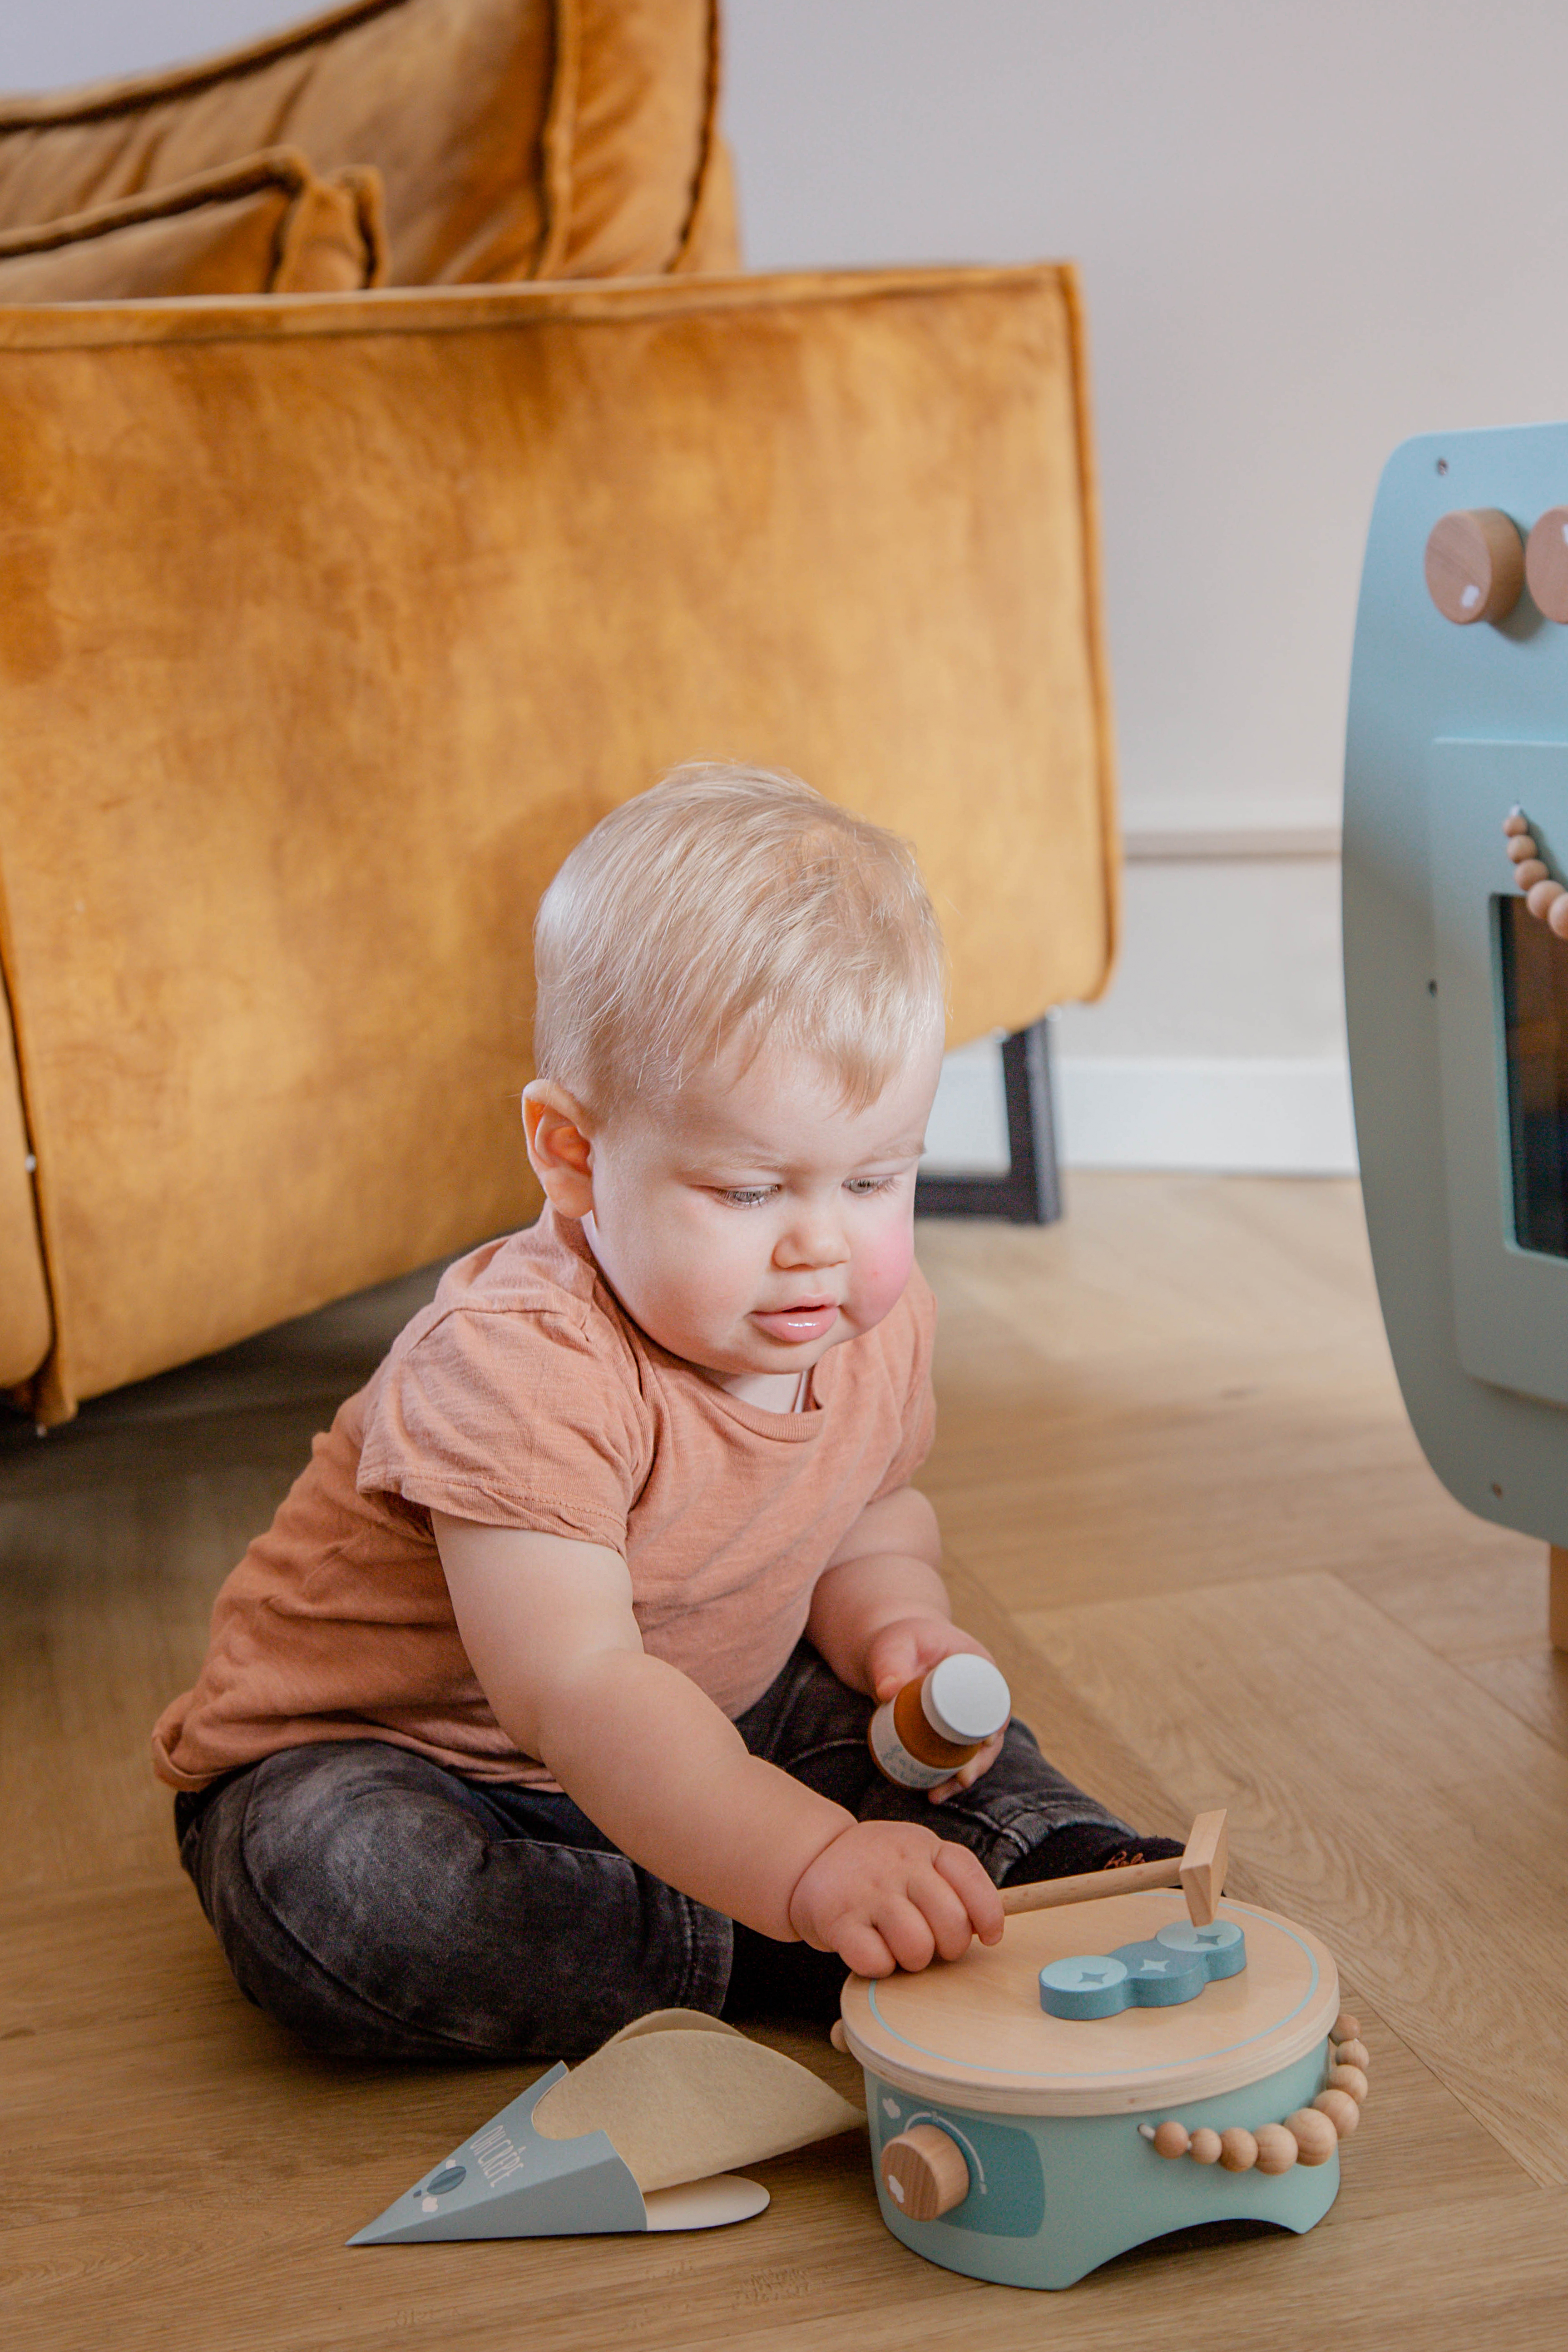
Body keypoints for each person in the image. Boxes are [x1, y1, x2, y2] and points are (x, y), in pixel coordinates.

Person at [154, 763, 1177, 2060]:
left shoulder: (870, 1315)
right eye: (750, 1191)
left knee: (884, 1731)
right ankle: (784, 1945)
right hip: (419, 1759)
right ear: (572, 1154)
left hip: (705, 1712)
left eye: (874, 1176)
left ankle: (1062, 1874)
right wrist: (807, 1870)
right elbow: (577, 1689)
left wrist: (897, 1626)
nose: (823, 1245)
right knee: (350, 1888)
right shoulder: (519, 1365)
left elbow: (866, 1510)